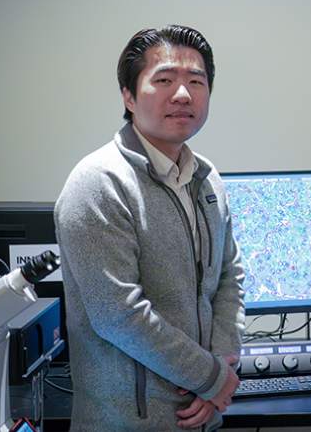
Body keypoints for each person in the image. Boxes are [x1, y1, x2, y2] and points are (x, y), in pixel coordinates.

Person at [55, 25, 244, 431]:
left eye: (197, 81)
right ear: (128, 94)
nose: (183, 94)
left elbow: (229, 276)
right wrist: (210, 378)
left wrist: (222, 363)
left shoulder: (207, 179)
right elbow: (118, 314)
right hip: (125, 423)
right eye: (164, 80)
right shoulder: (98, 183)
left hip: (201, 417)